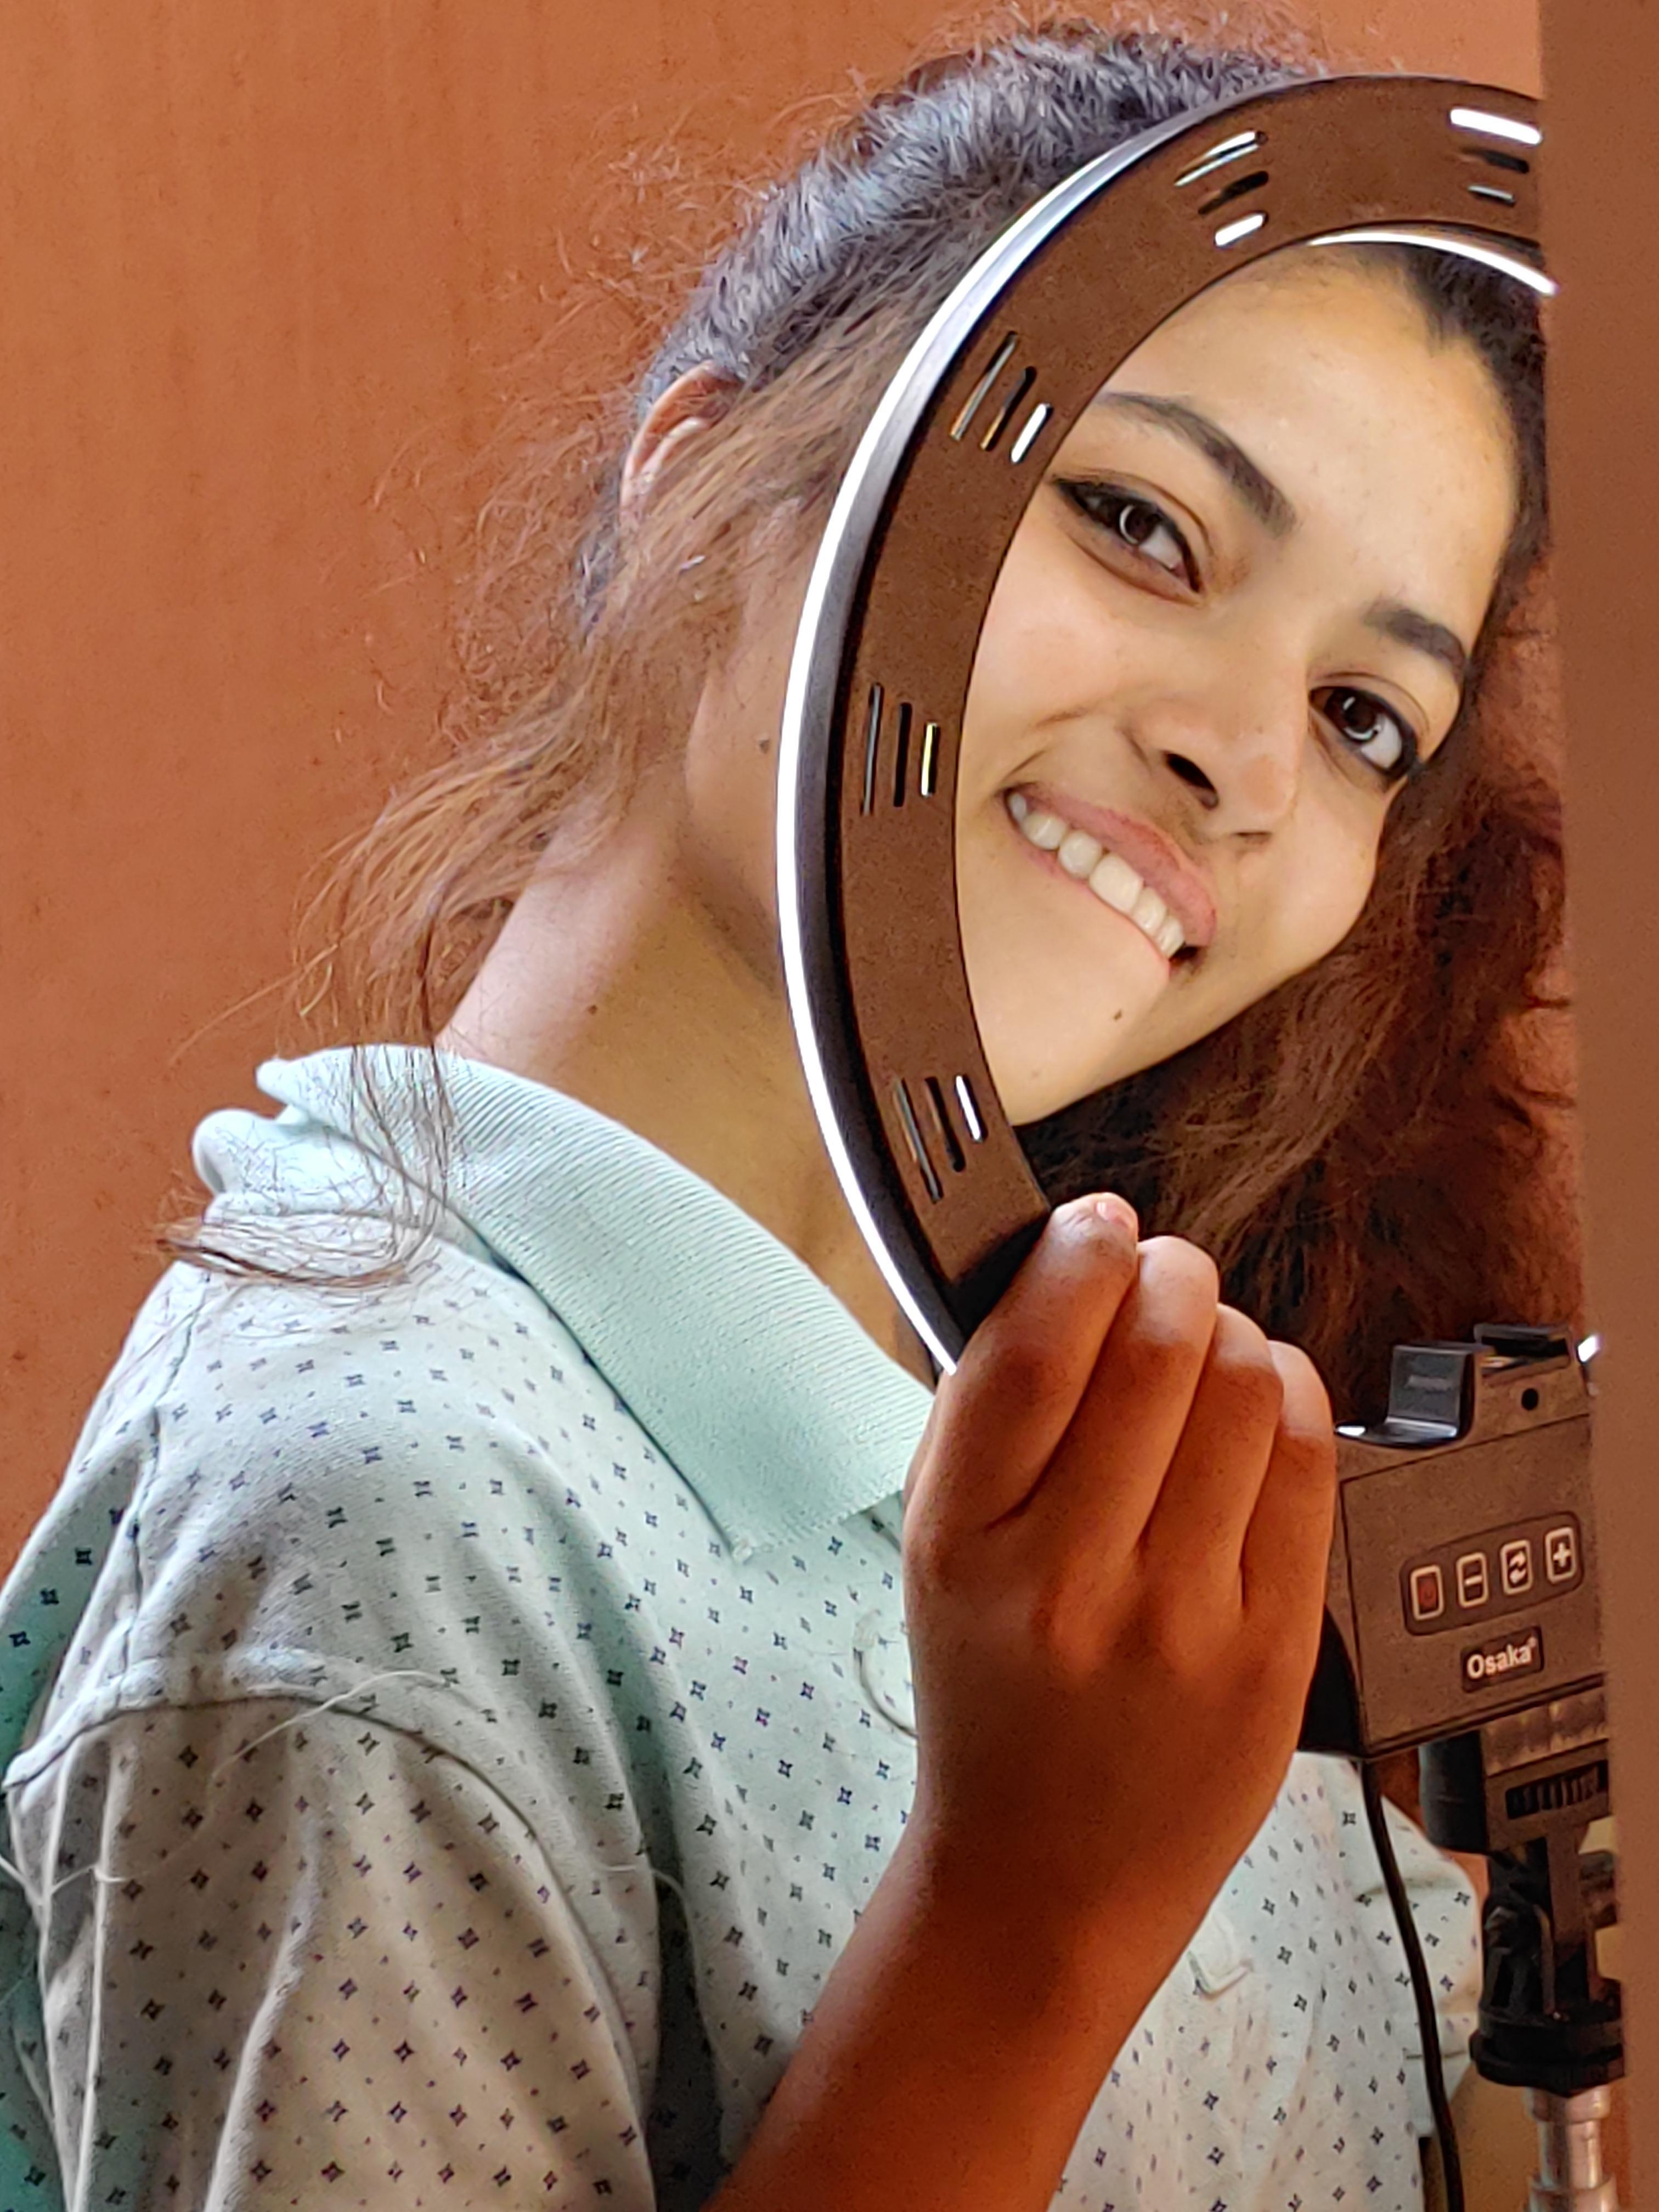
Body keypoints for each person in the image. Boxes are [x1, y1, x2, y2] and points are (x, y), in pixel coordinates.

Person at [0, 16, 1572, 2212]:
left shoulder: (1111, 1517)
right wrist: (1023, 1937)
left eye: (1363, 714)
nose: (1246, 759)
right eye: (1142, 524)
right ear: (702, 485)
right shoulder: (370, 1522)